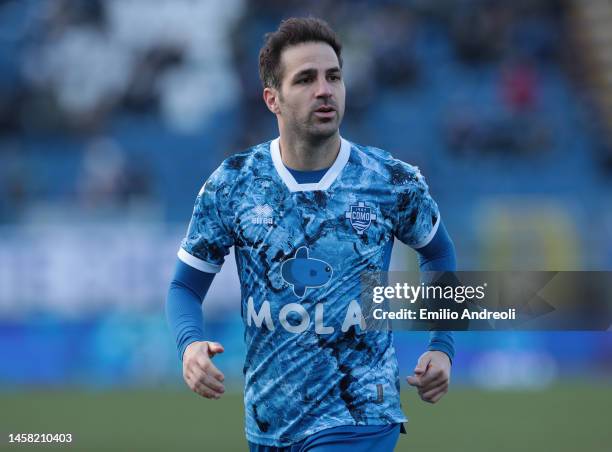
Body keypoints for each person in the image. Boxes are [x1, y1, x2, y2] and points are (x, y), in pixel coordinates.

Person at [166, 17, 456, 452]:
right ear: (272, 99)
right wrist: (189, 347)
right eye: (305, 79)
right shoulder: (234, 185)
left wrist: (442, 344)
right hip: (267, 425)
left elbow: (440, 255)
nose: (324, 90)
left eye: (333, 77)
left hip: (361, 413)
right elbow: (183, 286)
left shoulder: (389, 180)